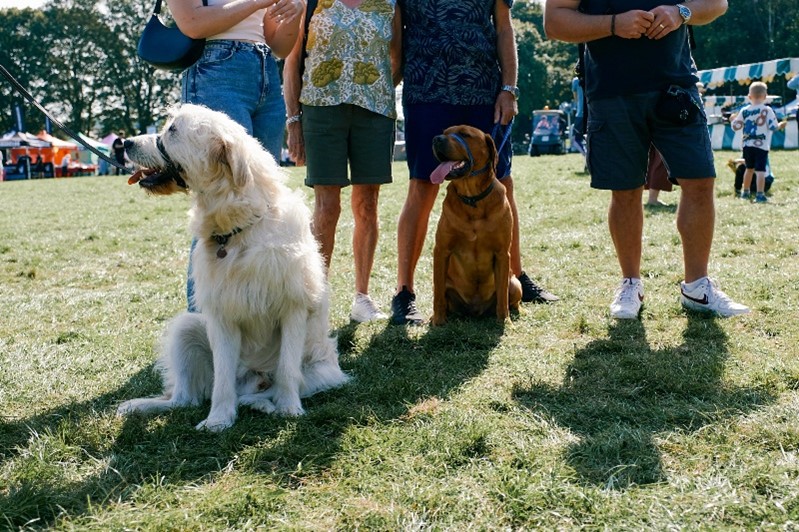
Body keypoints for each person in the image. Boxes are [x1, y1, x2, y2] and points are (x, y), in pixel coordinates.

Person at [544, 0, 749, 319]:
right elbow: (555, 21)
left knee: (699, 182)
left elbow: (717, 3)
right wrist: (613, 24)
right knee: (624, 190)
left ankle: (697, 287)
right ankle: (630, 284)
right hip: (611, 91)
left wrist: (681, 13)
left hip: (676, 87)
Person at [390, 0, 559, 326]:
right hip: (427, 90)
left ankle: (515, 276)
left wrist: (509, 88)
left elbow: (504, 26)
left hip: (483, 92)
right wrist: (392, 79)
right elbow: (397, 34)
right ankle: (405, 294)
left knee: (501, 183)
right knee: (422, 187)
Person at [167, 0, 303, 312]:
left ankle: (255, 313)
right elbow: (192, 23)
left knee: (262, 200)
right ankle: (205, 320)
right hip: (216, 71)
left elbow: (279, 45)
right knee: (217, 203)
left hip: (266, 72)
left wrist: (293, 19)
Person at [283, 0, 402, 323]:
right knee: (327, 207)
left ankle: (362, 299)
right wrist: (294, 121)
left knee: (367, 205)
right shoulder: (311, 1)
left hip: (374, 112)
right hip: (321, 111)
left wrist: (374, 87)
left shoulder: (390, 3)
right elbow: (292, 63)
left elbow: (397, 57)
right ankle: (314, 299)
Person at [730, 81, 786, 203]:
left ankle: (745, 192)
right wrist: (780, 125)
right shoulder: (767, 110)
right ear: (765, 96)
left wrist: (732, 120)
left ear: (749, 96)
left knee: (748, 169)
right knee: (760, 170)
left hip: (747, 145)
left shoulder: (744, 110)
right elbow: (773, 127)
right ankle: (760, 194)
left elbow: (735, 127)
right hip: (761, 145)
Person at [571, 76, 586, 157]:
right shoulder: (595, 75)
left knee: (575, 140)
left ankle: (586, 156)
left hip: (581, 114)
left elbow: (576, 98)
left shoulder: (576, 81)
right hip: (594, 114)